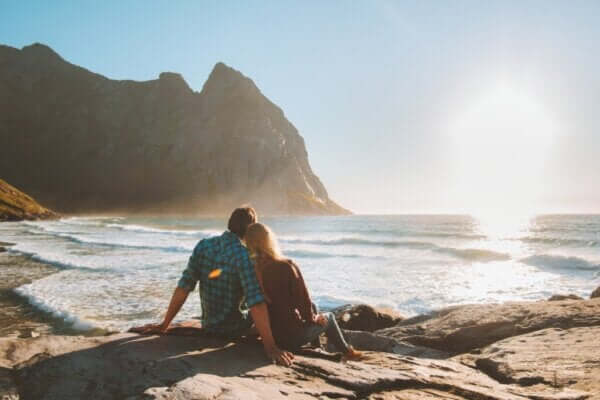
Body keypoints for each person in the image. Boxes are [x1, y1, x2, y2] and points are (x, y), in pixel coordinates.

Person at [141, 207, 294, 366]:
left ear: (229, 223)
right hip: (235, 327)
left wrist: (164, 324)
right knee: (270, 300)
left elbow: (184, 286)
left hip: (209, 324)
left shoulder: (203, 246)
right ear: (250, 230)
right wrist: (271, 347)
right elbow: (255, 302)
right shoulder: (244, 256)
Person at [244, 223, 362, 360]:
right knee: (329, 317)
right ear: (269, 240)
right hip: (293, 337)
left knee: (314, 307)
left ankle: (318, 348)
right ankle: (348, 352)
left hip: (272, 336)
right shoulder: (286, 266)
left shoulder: (250, 269)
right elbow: (302, 300)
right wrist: (314, 318)